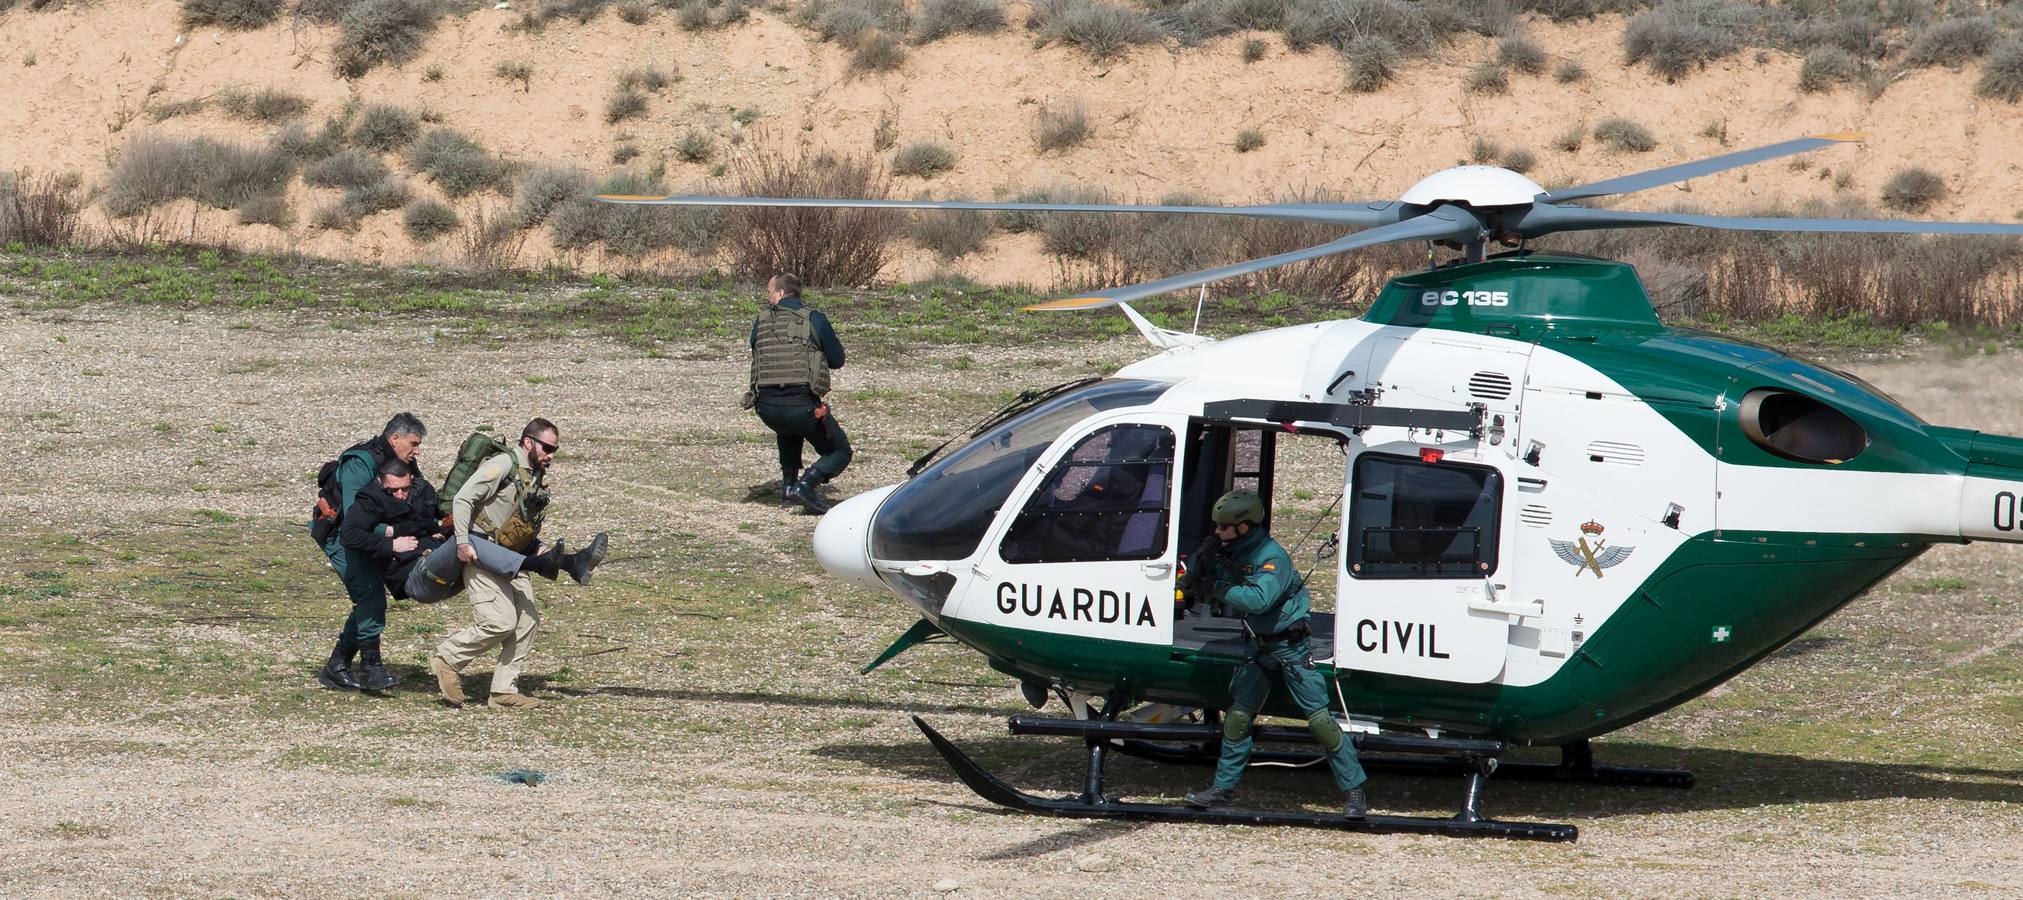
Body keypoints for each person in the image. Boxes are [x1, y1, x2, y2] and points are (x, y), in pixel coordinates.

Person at [1179, 490, 1370, 819]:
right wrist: (1197, 571)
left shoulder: (1273, 557)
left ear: (1245, 527)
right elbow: (1205, 576)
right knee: (1238, 719)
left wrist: (1216, 587)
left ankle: (1354, 791)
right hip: (1258, 647)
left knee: (1321, 723)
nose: (1218, 532)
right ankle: (1223, 789)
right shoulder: (1230, 549)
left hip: (1290, 648)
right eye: (1217, 527)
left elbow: (1258, 601)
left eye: (1225, 527)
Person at [430, 417, 566, 710]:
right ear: (529, 441)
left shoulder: (533, 474)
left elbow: (515, 521)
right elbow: (464, 498)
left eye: (554, 449)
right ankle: (447, 658)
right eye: (547, 447)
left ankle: (503, 690)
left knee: (527, 620)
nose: (551, 455)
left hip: (510, 556)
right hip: (480, 551)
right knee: (500, 621)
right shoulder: (504, 465)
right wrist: (463, 541)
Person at [315, 412, 427, 693]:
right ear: (395, 438)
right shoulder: (360, 463)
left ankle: (338, 665)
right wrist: (391, 535)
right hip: (342, 536)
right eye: (413, 444)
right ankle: (370, 669)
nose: (417, 450)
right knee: (370, 594)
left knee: (370, 597)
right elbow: (353, 518)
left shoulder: (401, 465)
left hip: (369, 534)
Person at [747, 272, 851, 514]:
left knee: (788, 427)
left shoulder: (761, 321)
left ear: (781, 293)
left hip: (766, 408)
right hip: (802, 407)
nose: (768, 297)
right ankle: (806, 484)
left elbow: (756, 350)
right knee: (840, 450)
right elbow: (837, 359)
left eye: (770, 292)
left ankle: (788, 486)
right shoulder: (815, 319)